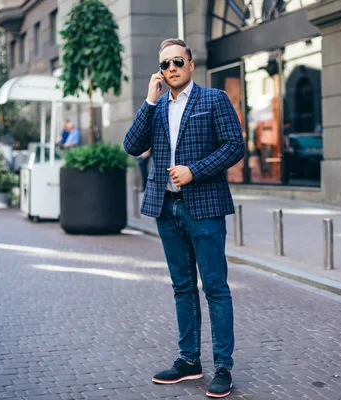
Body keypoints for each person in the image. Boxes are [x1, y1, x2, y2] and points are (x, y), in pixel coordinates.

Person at [123, 38, 244, 398]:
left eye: (177, 61)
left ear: (190, 65)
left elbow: (234, 146)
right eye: (165, 65)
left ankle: (223, 366)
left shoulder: (214, 99)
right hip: (167, 207)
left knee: (215, 287)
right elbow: (131, 146)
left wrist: (195, 170)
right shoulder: (157, 108)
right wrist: (148, 99)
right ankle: (189, 360)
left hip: (203, 207)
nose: (171, 68)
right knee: (182, 287)